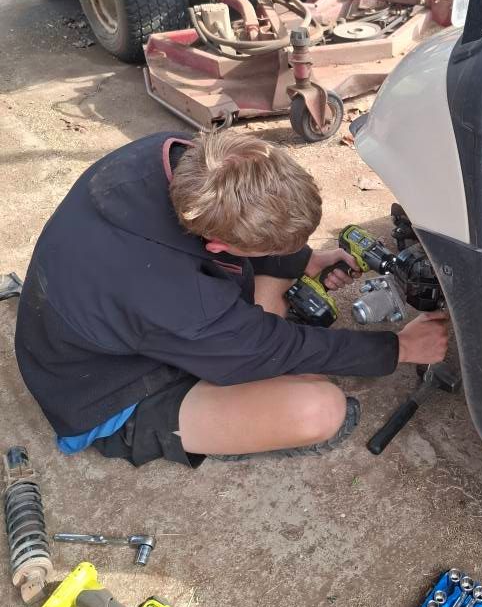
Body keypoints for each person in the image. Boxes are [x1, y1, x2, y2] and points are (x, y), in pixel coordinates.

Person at [15, 130, 448, 468]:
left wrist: (305, 259)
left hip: (117, 315)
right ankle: (176, 428)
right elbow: (271, 347)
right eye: (269, 248)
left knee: (274, 302)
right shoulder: (173, 296)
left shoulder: (180, 156)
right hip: (102, 389)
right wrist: (399, 348)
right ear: (218, 245)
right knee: (318, 409)